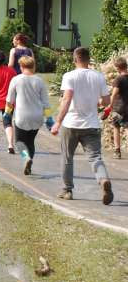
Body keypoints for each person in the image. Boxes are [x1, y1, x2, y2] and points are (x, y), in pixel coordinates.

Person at [50, 47, 114, 205]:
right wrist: (97, 102)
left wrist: (58, 121)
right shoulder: (98, 76)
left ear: (75, 59)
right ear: (88, 59)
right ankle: (103, 179)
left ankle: (67, 190)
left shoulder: (69, 76)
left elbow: (67, 99)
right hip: (91, 124)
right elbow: (106, 101)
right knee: (95, 157)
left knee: (67, 157)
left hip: (71, 123)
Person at [6, 56, 52, 175]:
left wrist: (7, 114)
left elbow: (10, 101)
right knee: (30, 141)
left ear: (21, 66)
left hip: (22, 116)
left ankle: (26, 158)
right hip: (37, 117)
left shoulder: (16, 80)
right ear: (33, 66)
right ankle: (29, 162)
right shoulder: (39, 81)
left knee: (20, 142)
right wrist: (49, 119)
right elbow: (46, 103)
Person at [104, 56, 128, 159]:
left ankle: (117, 151)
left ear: (117, 68)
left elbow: (113, 95)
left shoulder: (118, 79)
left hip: (118, 108)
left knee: (116, 128)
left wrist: (109, 106)